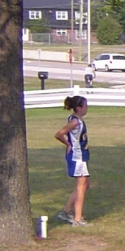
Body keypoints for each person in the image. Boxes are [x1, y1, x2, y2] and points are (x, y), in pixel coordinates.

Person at [55, 95, 91, 225]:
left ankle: (66, 211)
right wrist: (68, 144)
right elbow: (59, 134)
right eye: (85, 106)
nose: (87, 108)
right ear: (78, 108)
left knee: (86, 185)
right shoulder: (75, 122)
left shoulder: (77, 120)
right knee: (81, 187)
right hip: (77, 157)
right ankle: (77, 219)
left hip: (82, 155)